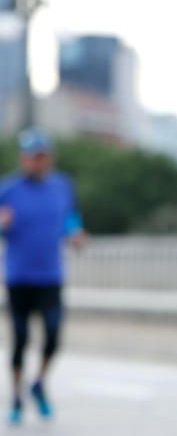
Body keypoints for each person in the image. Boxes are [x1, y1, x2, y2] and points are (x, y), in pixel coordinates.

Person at [1, 128, 85, 426]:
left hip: (51, 274)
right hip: (19, 275)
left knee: (53, 336)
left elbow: (71, 216)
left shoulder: (62, 186)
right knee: (21, 339)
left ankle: (38, 383)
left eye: (43, 157)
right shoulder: (8, 189)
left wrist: (75, 233)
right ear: (23, 158)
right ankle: (15, 398)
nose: (39, 162)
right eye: (34, 157)